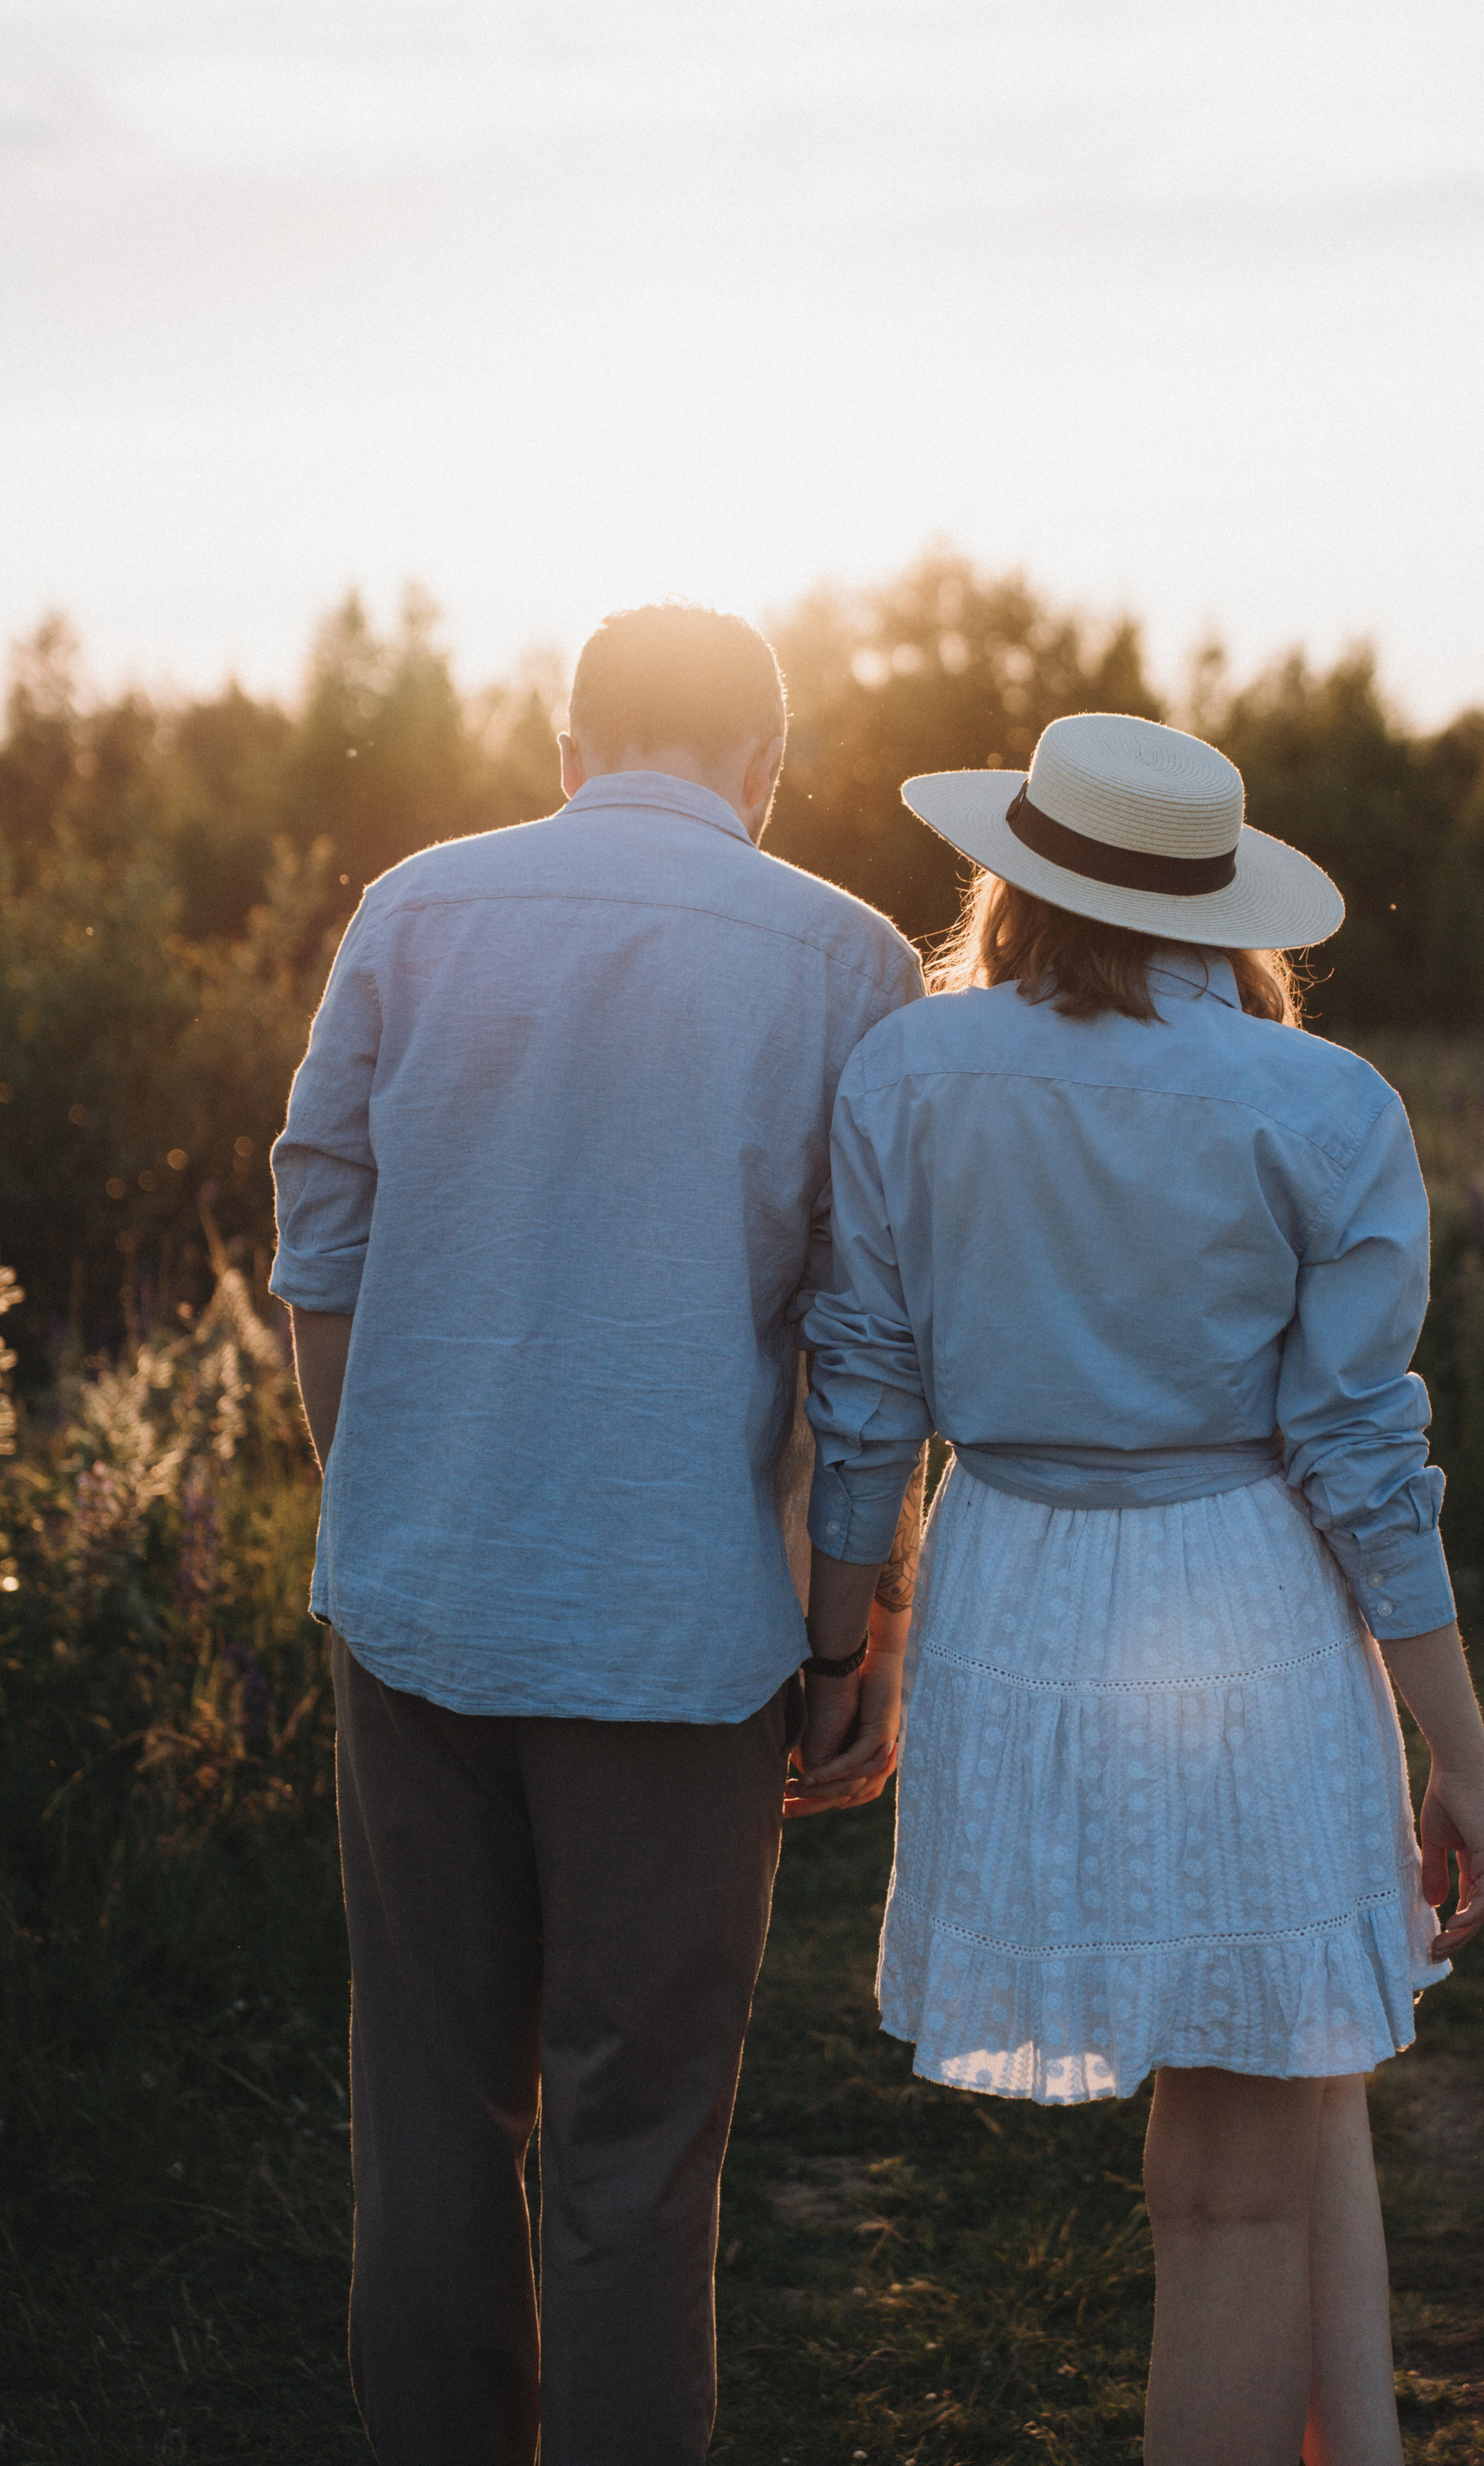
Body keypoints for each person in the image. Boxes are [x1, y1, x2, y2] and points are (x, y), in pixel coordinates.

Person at [796, 711, 1484, 2466]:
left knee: (1274, 2109)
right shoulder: (1322, 1104)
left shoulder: (907, 1072)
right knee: (1240, 2187)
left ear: (1016, 879)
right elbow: (1359, 1456)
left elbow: (865, 1391)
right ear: (1222, 905)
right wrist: (1457, 1750)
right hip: (1242, 1598)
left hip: (1014, 1591)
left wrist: (840, 1645)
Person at [270, 605, 922, 2466]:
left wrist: (370, 1488)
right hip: (685, 1637)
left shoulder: (412, 909)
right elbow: (870, 1349)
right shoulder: (851, 960)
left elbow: (320, 1232)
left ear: (567, 751)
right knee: (639, 2148)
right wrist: (846, 1632)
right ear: (766, 772)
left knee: (426, 2110)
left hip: (414, 1608)